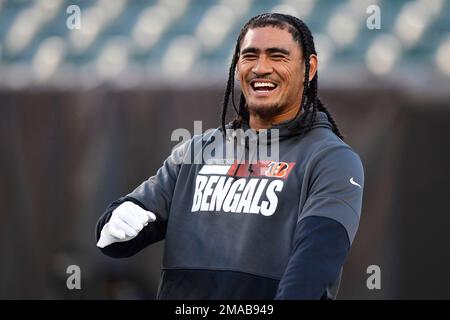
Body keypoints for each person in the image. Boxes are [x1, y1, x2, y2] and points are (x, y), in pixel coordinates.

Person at [96, 13, 364, 300]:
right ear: (237, 67)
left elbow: (313, 269)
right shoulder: (196, 151)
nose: (262, 68)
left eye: (278, 56)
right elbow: (117, 243)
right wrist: (115, 221)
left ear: (308, 68)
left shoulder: (331, 159)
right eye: (250, 56)